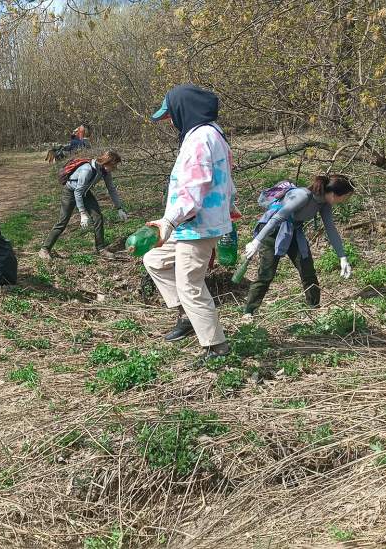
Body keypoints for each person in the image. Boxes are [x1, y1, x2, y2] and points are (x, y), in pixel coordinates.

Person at [142, 85, 237, 363]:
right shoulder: (211, 134)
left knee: (191, 285)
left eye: (171, 115)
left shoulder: (199, 140)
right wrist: (230, 206)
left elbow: (193, 188)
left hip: (196, 225)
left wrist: (168, 221)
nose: (171, 121)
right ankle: (186, 316)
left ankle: (215, 346)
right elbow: (225, 180)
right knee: (155, 259)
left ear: (184, 110)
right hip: (192, 223)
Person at [241, 175, 356, 321]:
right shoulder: (303, 195)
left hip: (293, 231)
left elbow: (330, 228)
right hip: (272, 231)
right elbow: (278, 217)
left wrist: (342, 257)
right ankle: (249, 311)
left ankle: (314, 307)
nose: (344, 200)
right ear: (334, 194)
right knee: (266, 273)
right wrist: (256, 241)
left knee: (307, 269)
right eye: (345, 197)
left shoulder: (324, 204)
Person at [39, 150, 128, 260]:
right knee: (63, 221)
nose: (114, 168)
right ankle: (44, 249)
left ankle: (100, 248)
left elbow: (111, 189)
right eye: (114, 165)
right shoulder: (87, 169)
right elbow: (77, 192)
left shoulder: (105, 171)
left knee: (98, 217)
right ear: (107, 162)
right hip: (70, 192)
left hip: (85, 192)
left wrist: (119, 208)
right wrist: (82, 213)